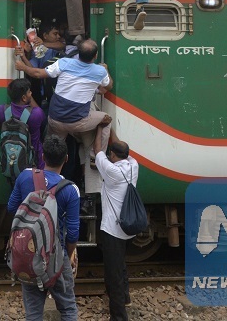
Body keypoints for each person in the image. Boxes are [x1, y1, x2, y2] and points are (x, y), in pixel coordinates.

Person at [16, 40, 112, 192]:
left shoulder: (64, 63)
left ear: (78, 53)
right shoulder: (99, 71)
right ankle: (95, 156)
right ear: (95, 56)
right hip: (79, 122)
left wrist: (23, 67)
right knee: (106, 119)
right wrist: (106, 70)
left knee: (52, 153)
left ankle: (44, 187)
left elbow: (38, 73)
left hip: (55, 120)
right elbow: (108, 86)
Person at [7, 136, 80, 321]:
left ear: (42, 156)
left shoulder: (25, 176)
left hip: (30, 254)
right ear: (66, 159)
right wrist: (69, 254)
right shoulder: (71, 190)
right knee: (68, 309)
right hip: (57, 257)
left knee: (33, 313)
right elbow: (73, 233)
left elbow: (11, 207)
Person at [94, 127, 139, 321]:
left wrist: (100, 128)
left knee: (114, 274)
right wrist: (112, 131)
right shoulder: (134, 165)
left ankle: (119, 316)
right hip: (128, 228)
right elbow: (119, 148)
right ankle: (125, 297)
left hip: (112, 229)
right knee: (120, 264)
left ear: (112, 155)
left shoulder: (111, 170)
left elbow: (97, 150)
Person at [0, 78, 45, 169]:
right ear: (24, 98)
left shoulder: (1, 110)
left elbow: (0, 128)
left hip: (10, 162)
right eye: (29, 92)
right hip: (34, 164)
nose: (31, 93)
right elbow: (43, 128)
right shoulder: (36, 113)